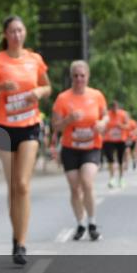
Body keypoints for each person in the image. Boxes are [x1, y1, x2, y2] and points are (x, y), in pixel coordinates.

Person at [0, 16, 51, 265]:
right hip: (5, 128)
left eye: (20, 30)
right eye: (12, 31)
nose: (17, 35)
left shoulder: (35, 60)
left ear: (25, 33)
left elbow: (47, 87)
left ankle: (21, 243)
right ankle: (16, 236)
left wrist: (38, 92)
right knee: (13, 187)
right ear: (5, 34)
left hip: (29, 124)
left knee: (22, 184)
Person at [52, 61, 106, 241]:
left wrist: (102, 124)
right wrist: (68, 120)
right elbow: (56, 126)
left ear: (88, 76)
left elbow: (105, 116)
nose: (79, 79)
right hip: (70, 149)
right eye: (75, 76)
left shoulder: (96, 95)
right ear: (71, 77)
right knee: (75, 189)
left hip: (91, 147)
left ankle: (92, 223)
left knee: (87, 182)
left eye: (82, 75)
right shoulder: (63, 99)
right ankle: (81, 224)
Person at [102, 100, 128, 188]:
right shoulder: (107, 115)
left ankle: (121, 178)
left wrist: (121, 126)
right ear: (111, 108)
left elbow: (128, 126)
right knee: (110, 160)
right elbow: (103, 126)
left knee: (120, 160)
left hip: (120, 140)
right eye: (113, 108)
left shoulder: (123, 114)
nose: (115, 109)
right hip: (109, 140)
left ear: (118, 107)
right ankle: (112, 178)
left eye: (116, 107)